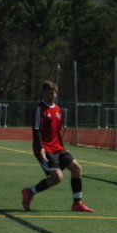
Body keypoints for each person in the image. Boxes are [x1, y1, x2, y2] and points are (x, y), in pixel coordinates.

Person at [21, 80, 93, 212]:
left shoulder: (58, 110)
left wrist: (62, 146)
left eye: (52, 93)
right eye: (47, 93)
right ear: (43, 94)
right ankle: (30, 192)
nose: (50, 96)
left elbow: (57, 131)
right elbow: (36, 130)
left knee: (77, 168)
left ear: (56, 94)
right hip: (44, 149)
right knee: (57, 178)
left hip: (58, 148)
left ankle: (77, 203)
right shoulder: (39, 109)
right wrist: (41, 148)